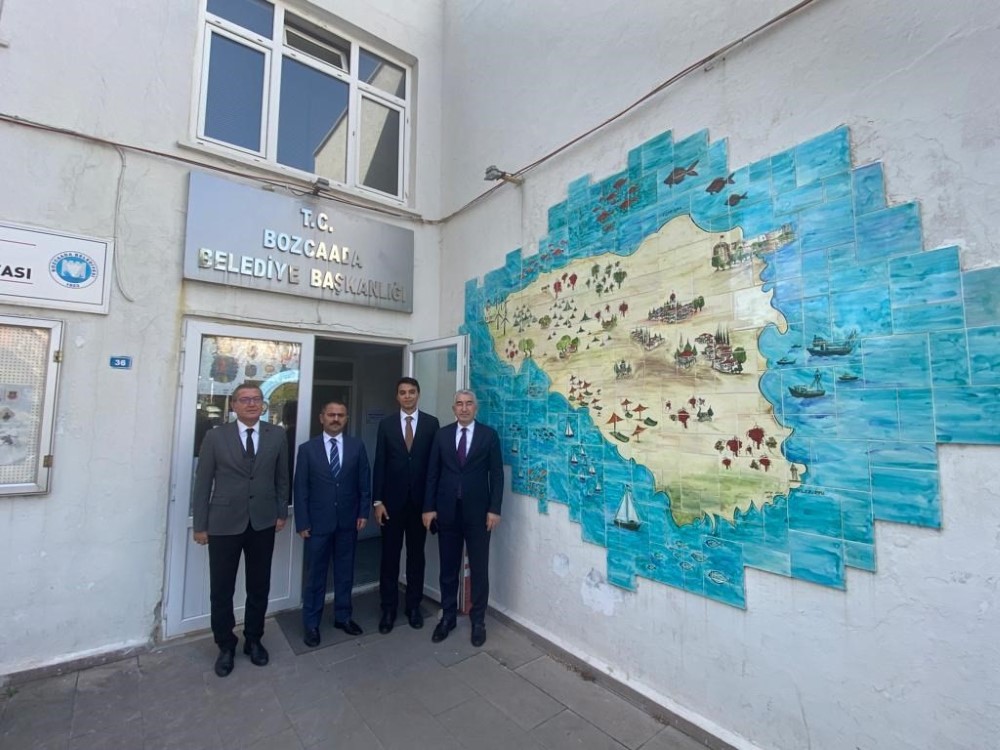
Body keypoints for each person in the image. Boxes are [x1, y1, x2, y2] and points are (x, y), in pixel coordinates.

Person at [192, 383, 289, 678]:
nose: (251, 404)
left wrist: (281, 512)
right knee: (222, 589)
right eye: (244, 400)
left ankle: (254, 639)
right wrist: (200, 524)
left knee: (259, 585)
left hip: (262, 521)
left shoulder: (277, 435)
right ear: (233, 405)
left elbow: (282, 478)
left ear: (263, 404)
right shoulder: (215, 437)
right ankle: (225, 645)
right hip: (223, 523)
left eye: (256, 399)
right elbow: (203, 482)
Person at [423, 389, 503, 647]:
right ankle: (447, 617)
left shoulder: (488, 435)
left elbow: (497, 475)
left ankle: (478, 621)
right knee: (448, 568)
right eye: (459, 404)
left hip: (479, 515)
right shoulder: (442, 435)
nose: (464, 408)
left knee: (479, 569)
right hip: (447, 512)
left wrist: (494, 509)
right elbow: (432, 473)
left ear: (475, 408)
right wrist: (428, 507)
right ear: (454, 408)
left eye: (469, 404)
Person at [294, 399, 371, 647]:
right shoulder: (307, 449)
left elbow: (364, 482)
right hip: (317, 524)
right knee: (315, 575)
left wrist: (363, 512)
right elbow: (300, 488)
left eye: (340, 415)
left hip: (348, 521)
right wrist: (302, 522)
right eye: (331, 414)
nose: (336, 419)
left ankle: (343, 617)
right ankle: (311, 624)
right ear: (322, 418)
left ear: (346, 419)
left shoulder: (357, 446)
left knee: (345, 572)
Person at [372, 377, 440, 634]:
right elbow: (380, 463)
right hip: (391, 505)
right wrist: (378, 501)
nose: (408, 396)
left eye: (412, 392)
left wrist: (431, 504)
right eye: (403, 392)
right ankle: (388, 609)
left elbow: (434, 467)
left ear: (418, 394)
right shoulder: (387, 424)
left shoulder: (431, 423)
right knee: (389, 558)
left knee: (416, 557)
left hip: (420, 505)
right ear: (397, 397)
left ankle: (413, 607)